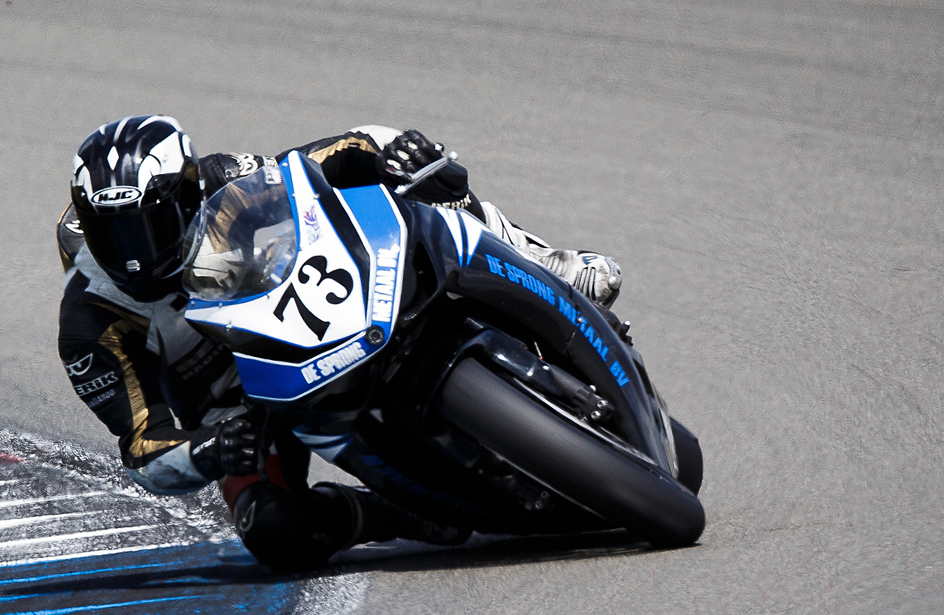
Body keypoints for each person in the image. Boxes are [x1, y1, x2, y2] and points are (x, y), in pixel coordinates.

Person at [56, 115, 624, 571]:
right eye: (111, 232)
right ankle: (397, 516)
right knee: (274, 532)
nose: (133, 252)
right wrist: (210, 448)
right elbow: (142, 450)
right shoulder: (91, 320)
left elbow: (329, 158)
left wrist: (400, 159)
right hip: (243, 412)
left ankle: (544, 263)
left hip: (318, 307)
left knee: (424, 185)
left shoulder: (222, 179)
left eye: (146, 225)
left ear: (185, 195)